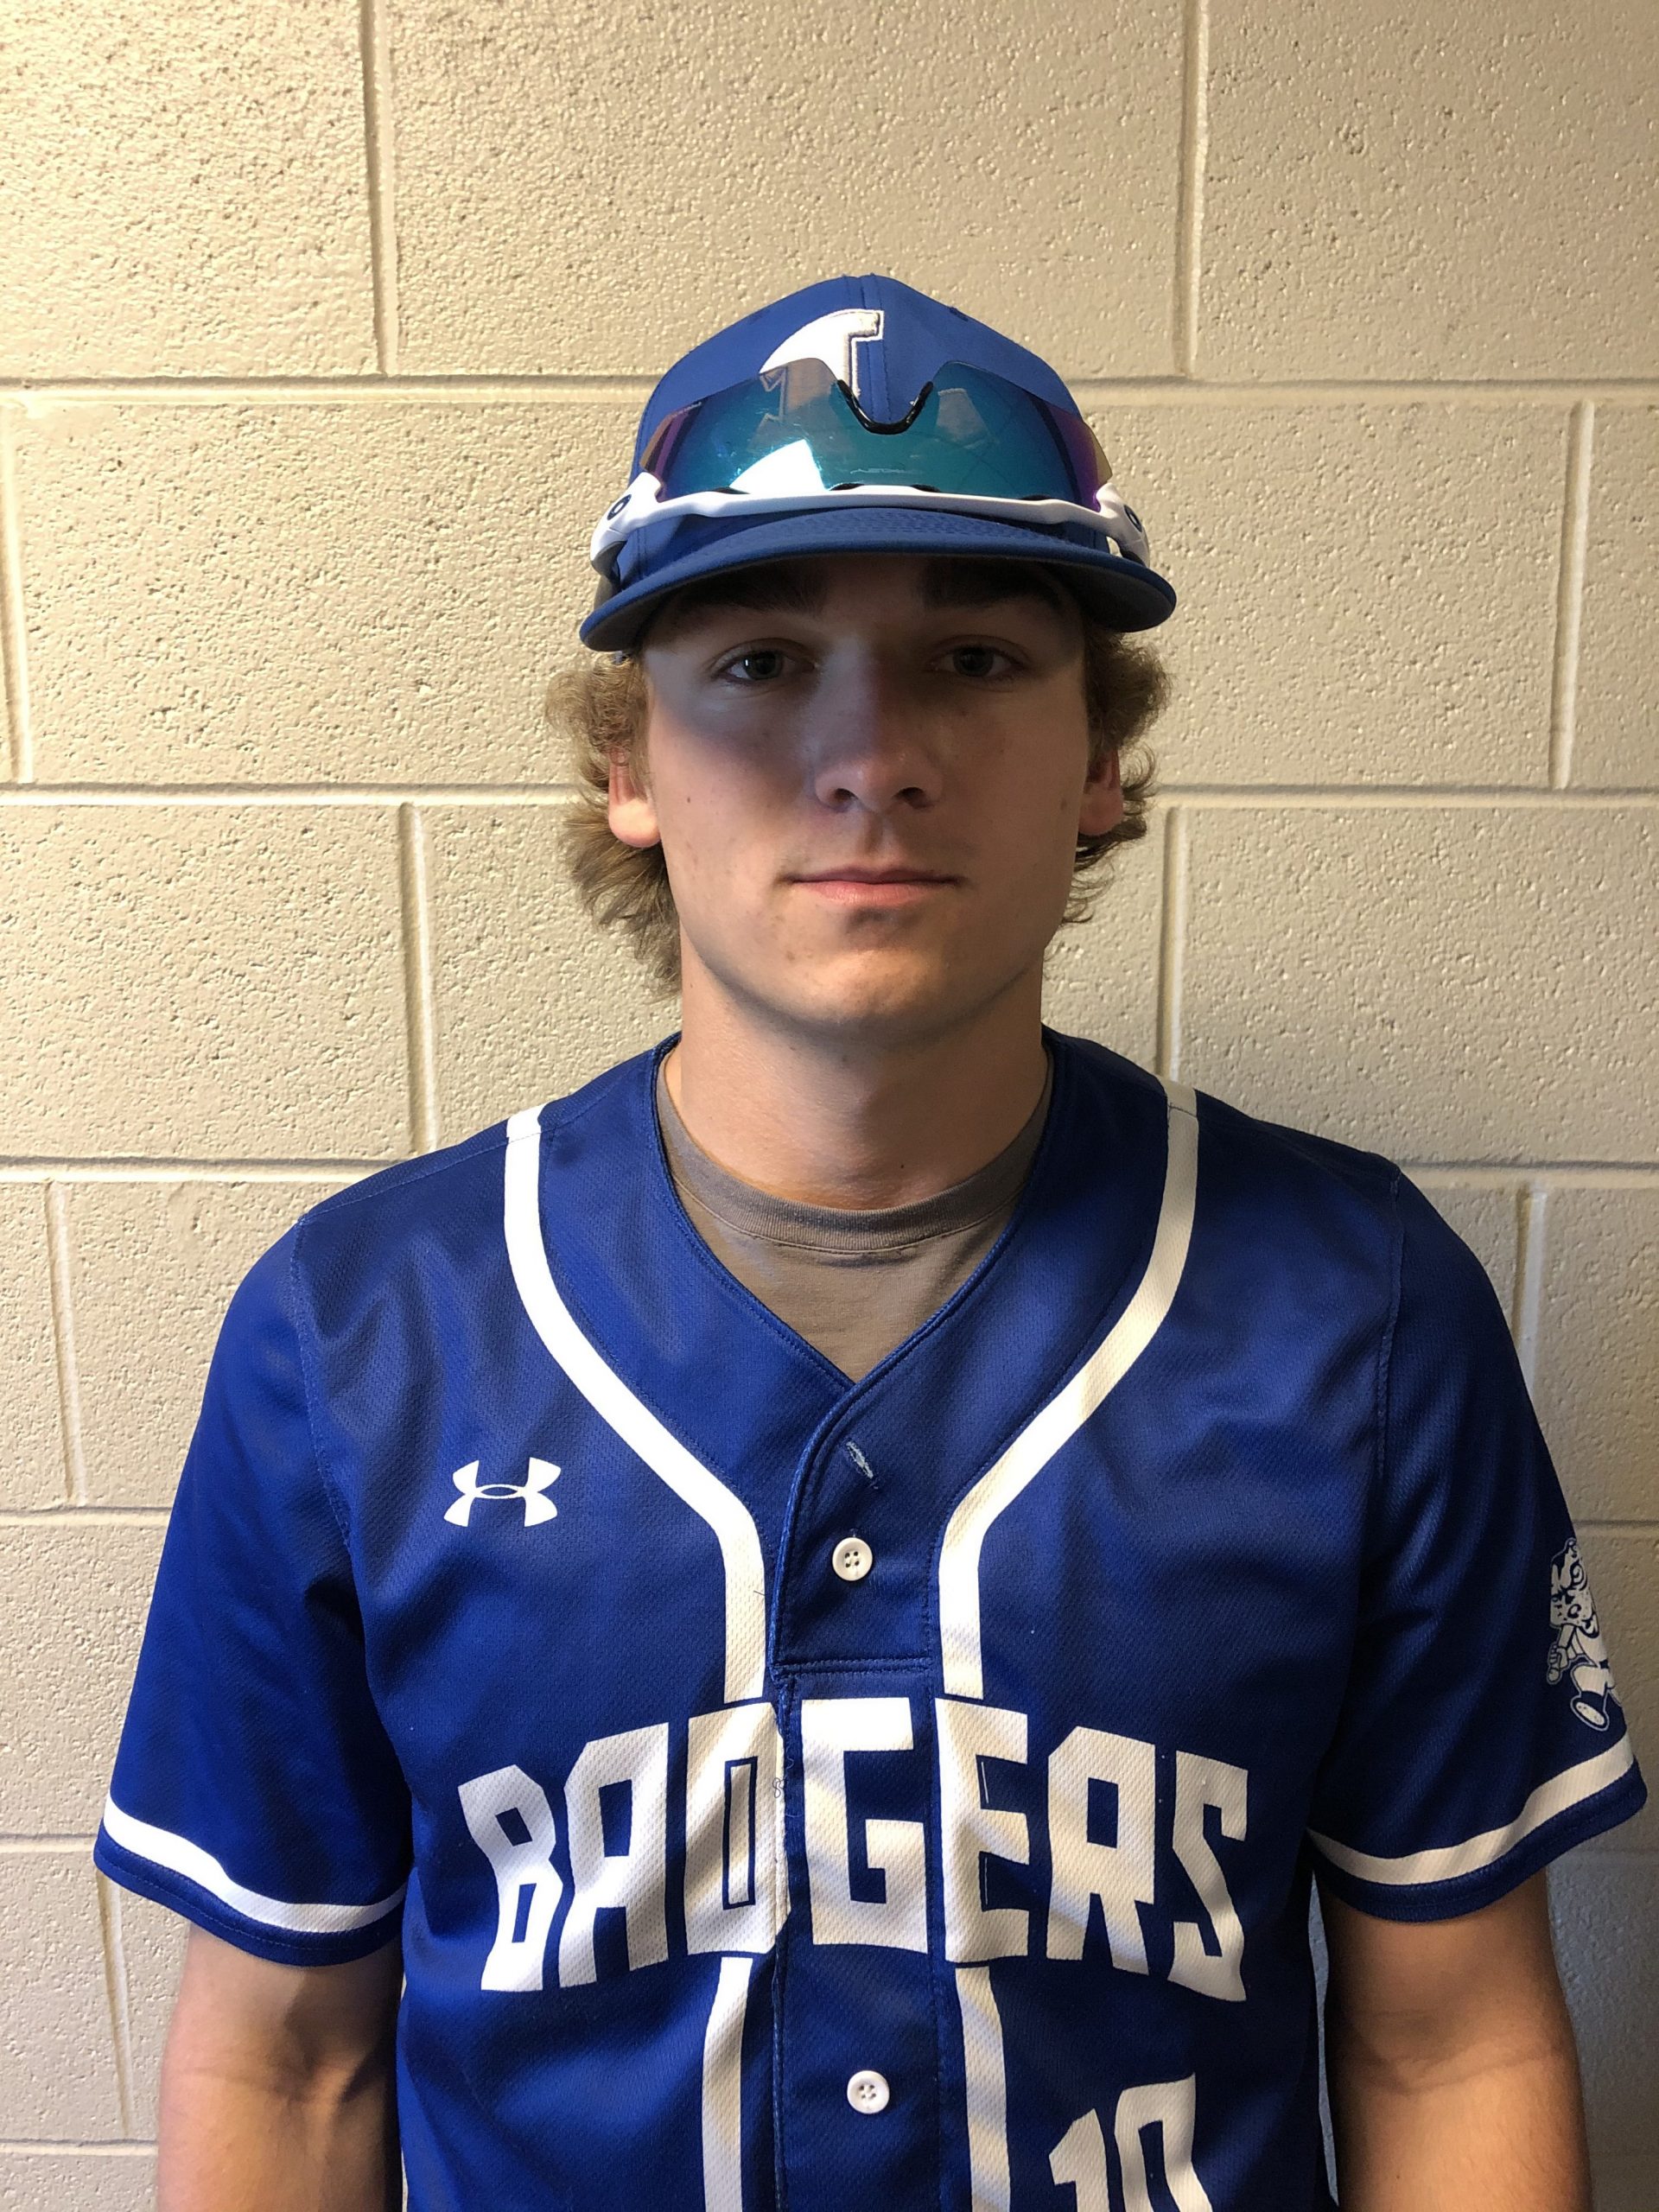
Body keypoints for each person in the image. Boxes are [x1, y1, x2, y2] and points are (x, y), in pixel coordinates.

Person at [95, 274, 1645, 2212]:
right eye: (758, 660)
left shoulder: (1362, 1309)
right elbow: (286, 2058)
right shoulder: (359, 1336)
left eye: (975, 660)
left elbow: (1449, 2039)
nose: (871, 754)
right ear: (630, 767)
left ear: (1100, 759)